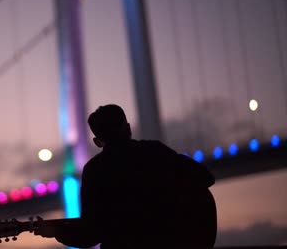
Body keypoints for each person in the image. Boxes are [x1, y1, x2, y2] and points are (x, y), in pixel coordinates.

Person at [34, 104, 217, 248]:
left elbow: (90, 234)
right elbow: (205, 177)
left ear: (97, 142)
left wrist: (56, 232)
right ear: (128, 128)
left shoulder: (96, 170)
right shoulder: (155, 150)